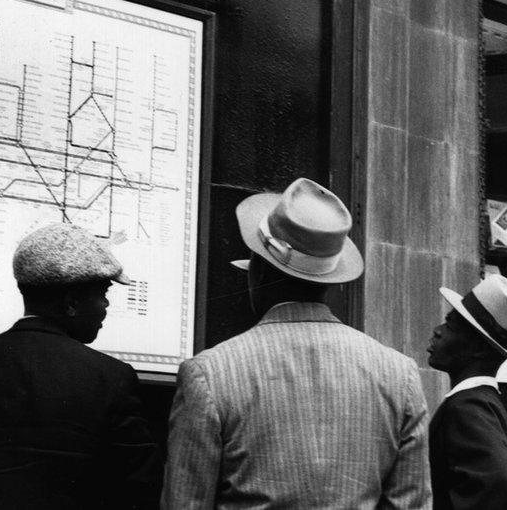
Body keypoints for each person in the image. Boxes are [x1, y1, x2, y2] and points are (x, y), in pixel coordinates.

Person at [162, 178, 431, 509]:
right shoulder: (399, 375)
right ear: (328, 281)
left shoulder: (209, 374)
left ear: (257, 272)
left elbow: (185, 503)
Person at [0, 222, 160, 509]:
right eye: (103, 293)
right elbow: (138, 488)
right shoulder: (112, 378)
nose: (106, 305)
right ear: (71, 302)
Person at [427, 274, 507, 510]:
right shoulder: (484, 402)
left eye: (450, 326)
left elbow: (496, 483)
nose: (438, 331)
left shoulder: (467, 407)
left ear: (478, 349)